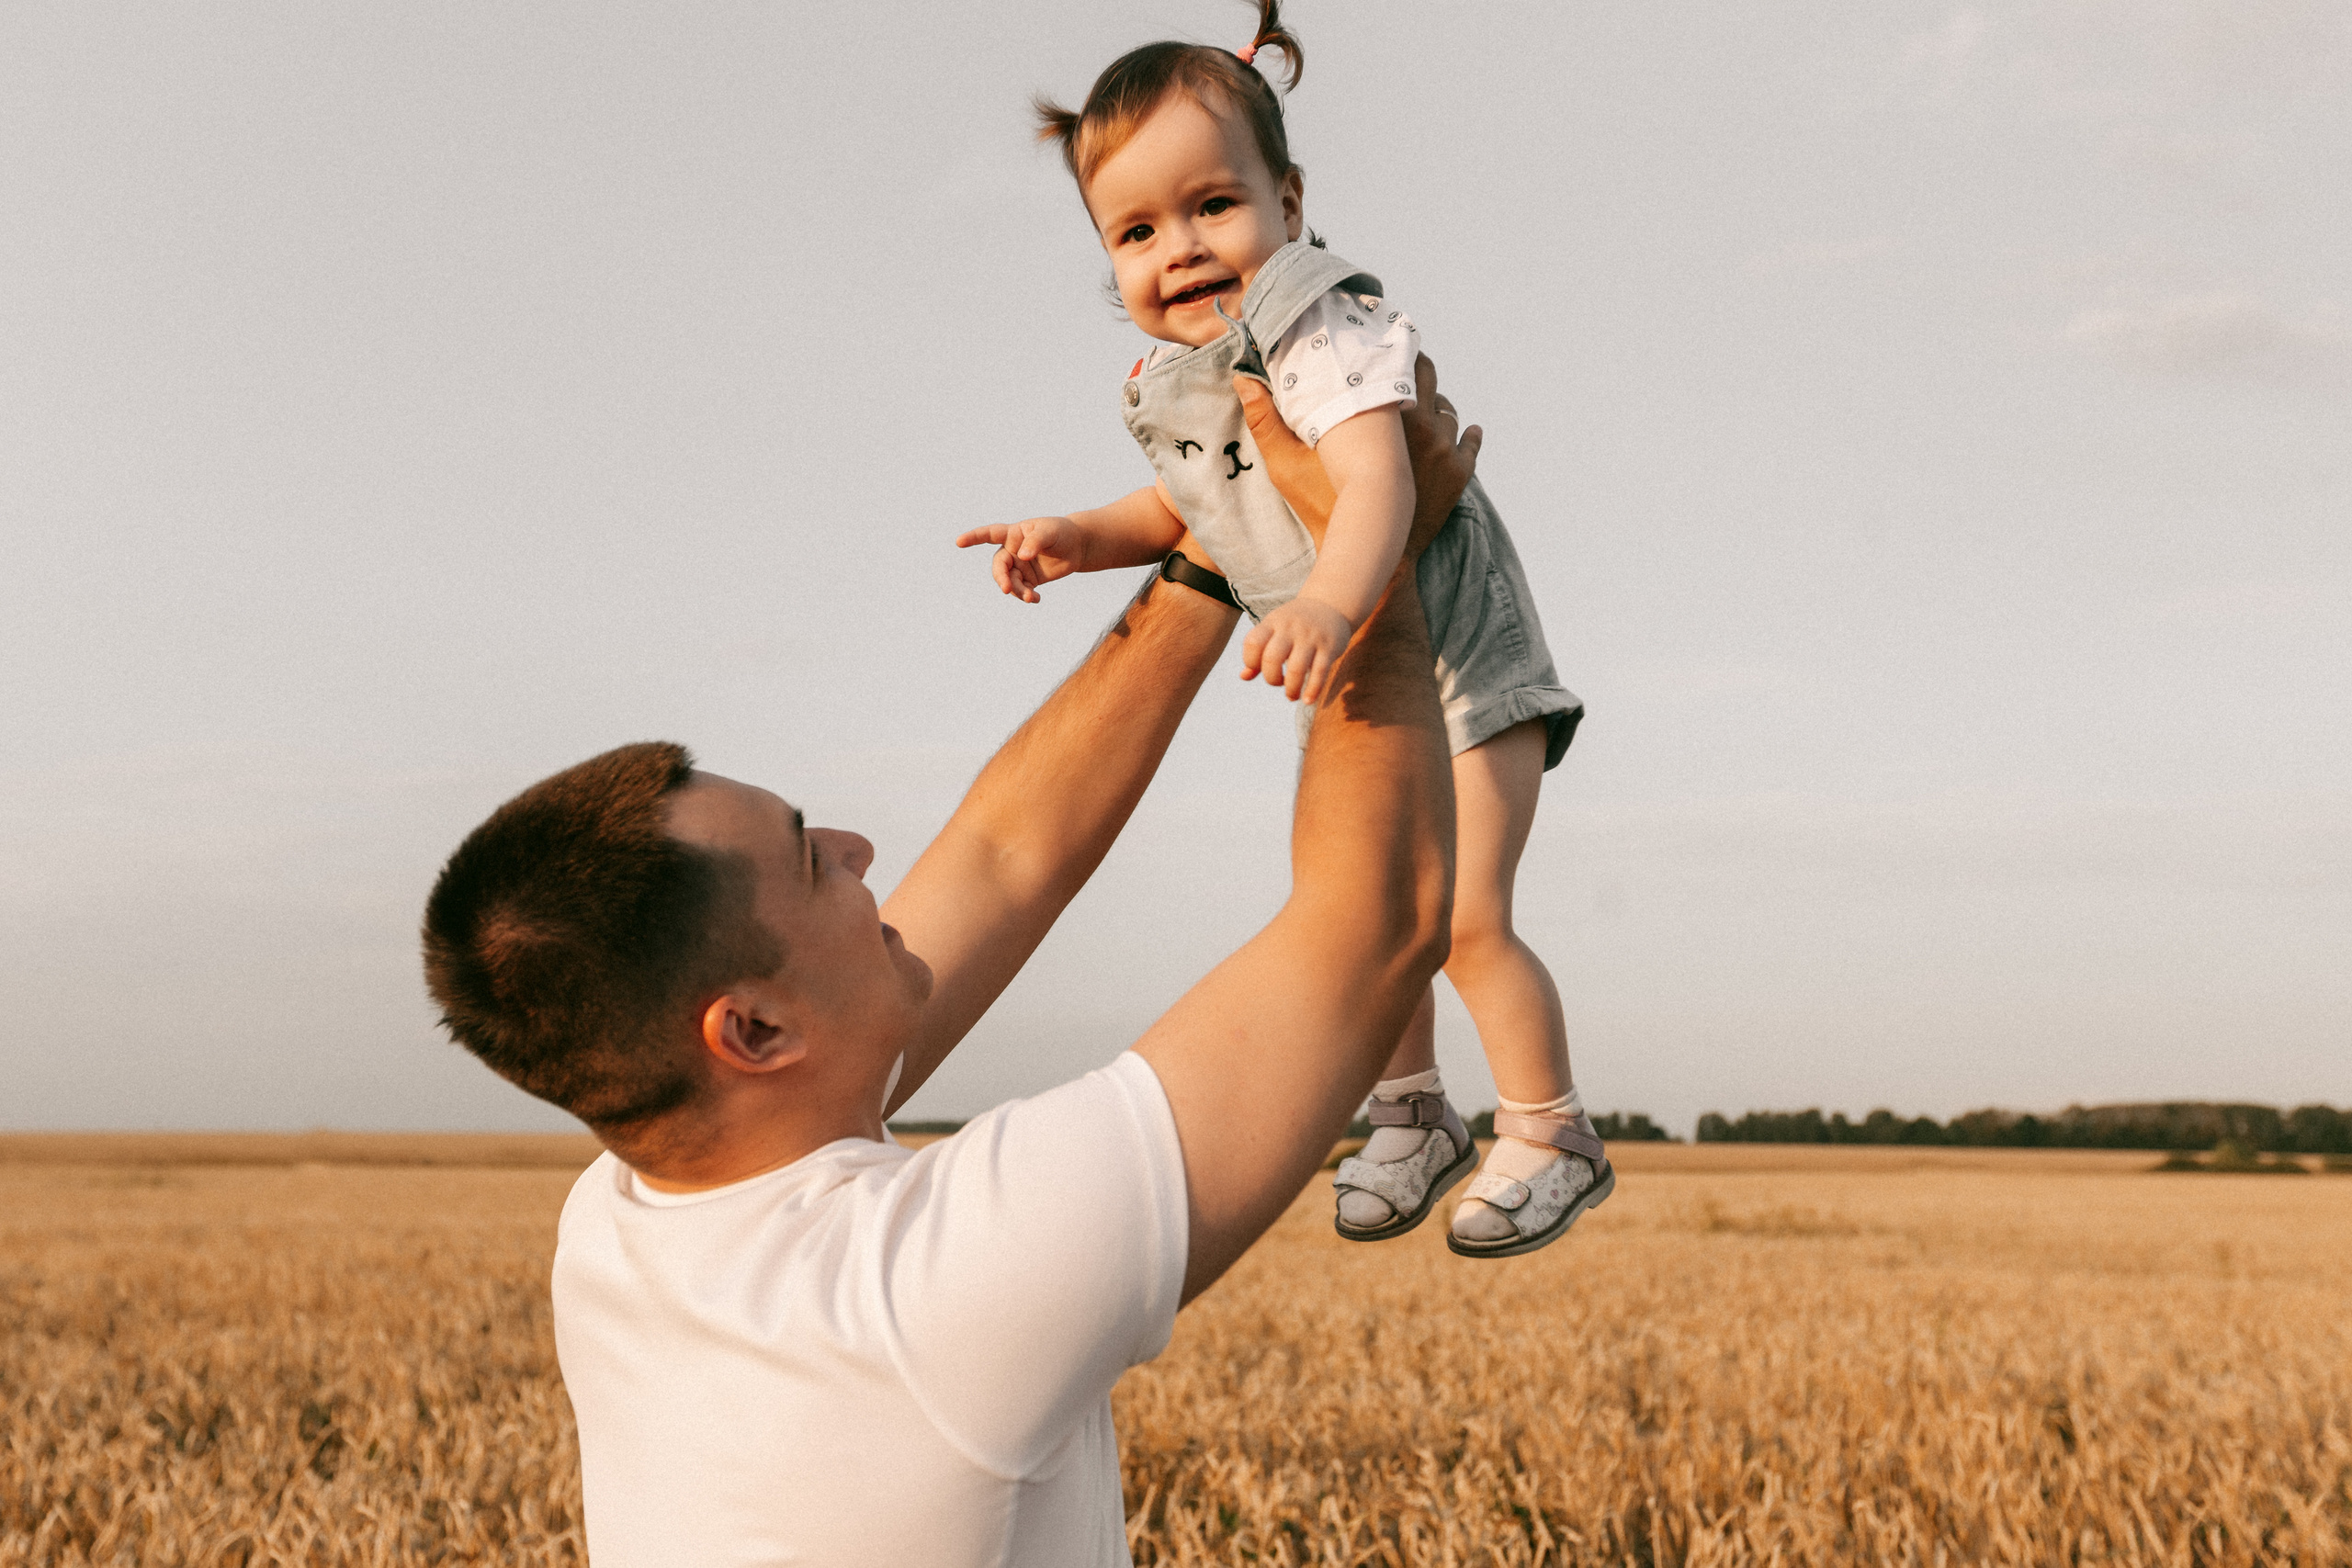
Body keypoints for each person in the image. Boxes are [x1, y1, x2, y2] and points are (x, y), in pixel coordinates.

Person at [421, 365, 1475, 1565]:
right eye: (810, 860)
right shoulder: (922, 1298)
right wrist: (1371, 559)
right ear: (754, 1031)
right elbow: (1373, 931)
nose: (860, 849)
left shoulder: (624, 1222)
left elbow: (1004, 854)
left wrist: (1217, 532)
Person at [951, 0, 1610, 1259]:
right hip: (1361, 653)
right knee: (1373, 904)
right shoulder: (1181, 374)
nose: (1182, 250)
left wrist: (1324, 603)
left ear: (1290, 202)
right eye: (1138, 231)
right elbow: (1192, 501)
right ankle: (1410, 1113)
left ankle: (1550, 1131)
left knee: (1467, 915)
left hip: (1461, 655)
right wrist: (1080, 535)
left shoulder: (1317, 324)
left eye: (1214, 206)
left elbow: (1378, 483)